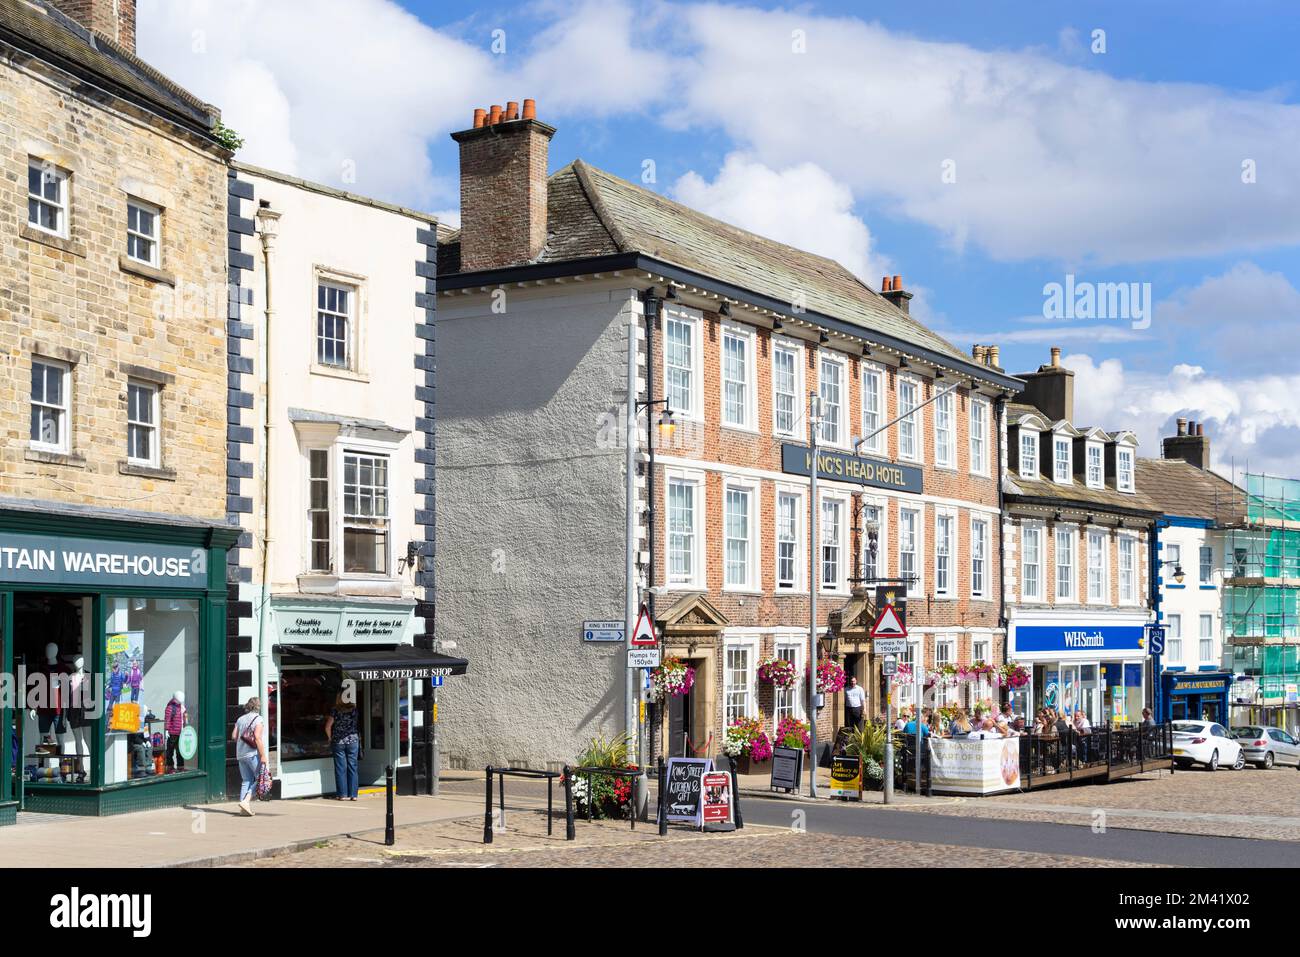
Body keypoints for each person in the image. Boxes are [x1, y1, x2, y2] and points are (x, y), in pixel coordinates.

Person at [231, 698, 266, 816]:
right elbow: (257, 737)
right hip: (252, 754)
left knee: (246, 780)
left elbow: (234, 736)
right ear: (258, 707)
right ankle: (246, 801)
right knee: (260, 778)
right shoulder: (258, 719)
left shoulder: (240, 719)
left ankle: (243, 808)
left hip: (240, 754)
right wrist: (263, 755)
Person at [324, 691, 362, 801]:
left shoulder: (335, 710)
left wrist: (330, 738)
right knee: (353, 767)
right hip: (353, 741)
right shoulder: (354, 710)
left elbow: (327, 727)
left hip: (338, 741)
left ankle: (342, 795)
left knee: (340, 768)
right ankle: (353, 795)